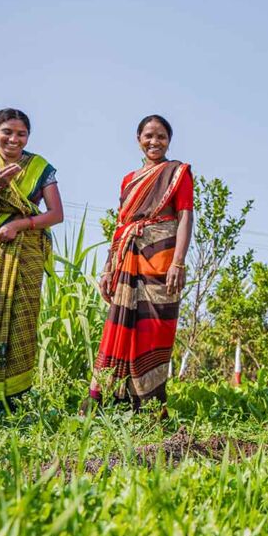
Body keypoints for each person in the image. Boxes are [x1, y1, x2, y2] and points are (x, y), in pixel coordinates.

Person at [85, 115, 193, 413]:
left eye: (161, 136)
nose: (154, 142)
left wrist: (178, 263)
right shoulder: (129, 180)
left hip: (161, 258)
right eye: (148, 136)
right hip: (126, 258)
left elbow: (185, 216)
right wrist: (109, 268)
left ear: (169, 141)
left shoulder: (177, 173)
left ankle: (149, 402)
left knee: (155, 326)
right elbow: (121, 225)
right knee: (122, 324)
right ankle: (113, 400)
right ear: (138, 139)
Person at [0, 108, 64, 406]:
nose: (14, 139)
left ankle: (10, 399)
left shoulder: (40, 167)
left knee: (21, 319)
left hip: (25, 251)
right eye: (7, 132)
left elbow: (56, 214)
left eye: (21, 134)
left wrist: (18, 224)